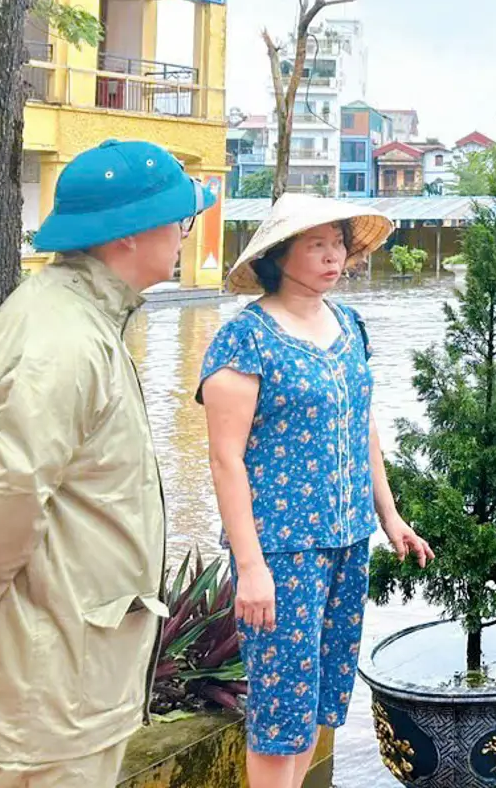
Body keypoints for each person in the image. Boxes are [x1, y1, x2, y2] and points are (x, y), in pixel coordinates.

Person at [0, 140, 217, 787]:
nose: (182, 235)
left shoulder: (74, 320)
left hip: (53, 685)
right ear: (128, 235)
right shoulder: (63, 342)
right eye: (179, 220)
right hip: (38, 703)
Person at [198, 192, 433, 787]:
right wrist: (250, 567)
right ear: (279, 256)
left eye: (339, 244)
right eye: (317, 245)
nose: (334, 257)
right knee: (280, 711)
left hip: (349, 539)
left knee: (321, 699)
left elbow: (364, 424)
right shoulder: (244, 340)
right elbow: (226, 460)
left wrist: (390, 514)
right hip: (282, 550)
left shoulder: (349, 326)